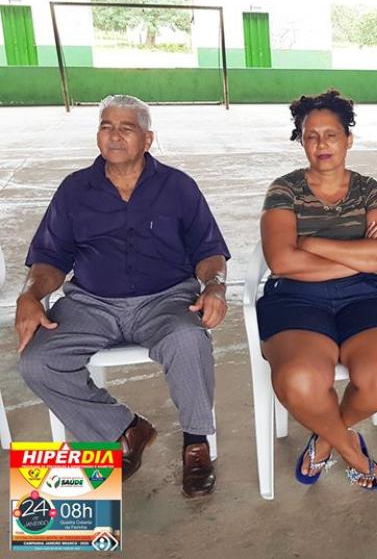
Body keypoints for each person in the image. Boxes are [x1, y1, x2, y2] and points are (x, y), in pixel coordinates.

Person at [17, 94, 229, 497]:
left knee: (189, 338)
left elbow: (209, 250)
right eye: (106, 127)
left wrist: (215, 285)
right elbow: (50, 258)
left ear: (147, 139)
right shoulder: (74, 189)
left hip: (165, 299)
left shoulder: (177, 187)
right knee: (38, 362)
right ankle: (124, 429)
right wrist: (30, 295)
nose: (114, 136)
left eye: (126, 128)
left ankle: (196, 442)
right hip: (91, 302)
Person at [257, 88, 377, 491]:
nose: (321, 144)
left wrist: (312, 243)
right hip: (295, 296)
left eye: (331, 135)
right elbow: (281, 262)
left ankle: (325, 440)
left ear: (348, 140)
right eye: (311, 136)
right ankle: (352, 451)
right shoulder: (284, 190)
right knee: (298, 379)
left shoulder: (370, 190)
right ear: (301, 141)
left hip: (367, 295)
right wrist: (360, 255)